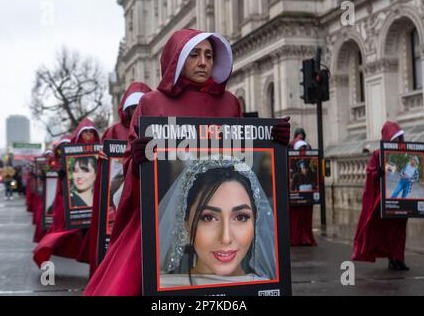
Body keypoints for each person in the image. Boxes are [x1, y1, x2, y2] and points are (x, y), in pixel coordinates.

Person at [83, 28, 290, 296]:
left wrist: (274, 141)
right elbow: (131, 171)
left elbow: (242, 155)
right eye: (194, 55)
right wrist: (137, 160)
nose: (203, 62)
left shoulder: (229, 103)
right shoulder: (152, 102)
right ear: (177, 59)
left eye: (208, 55)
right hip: (155, 216)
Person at [159, 158, 275, 288]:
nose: (226, 238)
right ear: (186, 223)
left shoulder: (270, 289)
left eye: (241, 217)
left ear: (255, 222)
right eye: (208, 218)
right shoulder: (164, 289)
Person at [83, 82, 151, 277]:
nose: (136, 110)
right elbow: (106, 169)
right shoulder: (113, 131)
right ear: (126, 109)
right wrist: (101, 159)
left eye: (139, 106)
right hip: (122, 190)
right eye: (132, 107)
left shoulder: (157, 124)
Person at [33, 119, 100, 267]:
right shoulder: (70, 156)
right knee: (73, 229)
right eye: (85, 132)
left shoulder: (100, 151)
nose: (88, 135)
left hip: (97, 200)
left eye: (91, 132)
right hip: (78, 201)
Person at [352, 121, 409, 271]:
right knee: (388, 230)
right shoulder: (378, 154)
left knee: (400, 230)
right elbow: (370, 173)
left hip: (402, 198)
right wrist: (379, 173)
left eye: (399, 138)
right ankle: (392, 257)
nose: (397, 141)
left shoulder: (405, 153)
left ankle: (399, 258)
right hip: (385, 199)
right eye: (394, 138)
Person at [288, 139, 317, 246]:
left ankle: (305, 238)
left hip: (307, 199)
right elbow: (292, 186)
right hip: (296, 199)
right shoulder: (295, 174)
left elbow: (315, 183)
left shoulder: (311, 174)